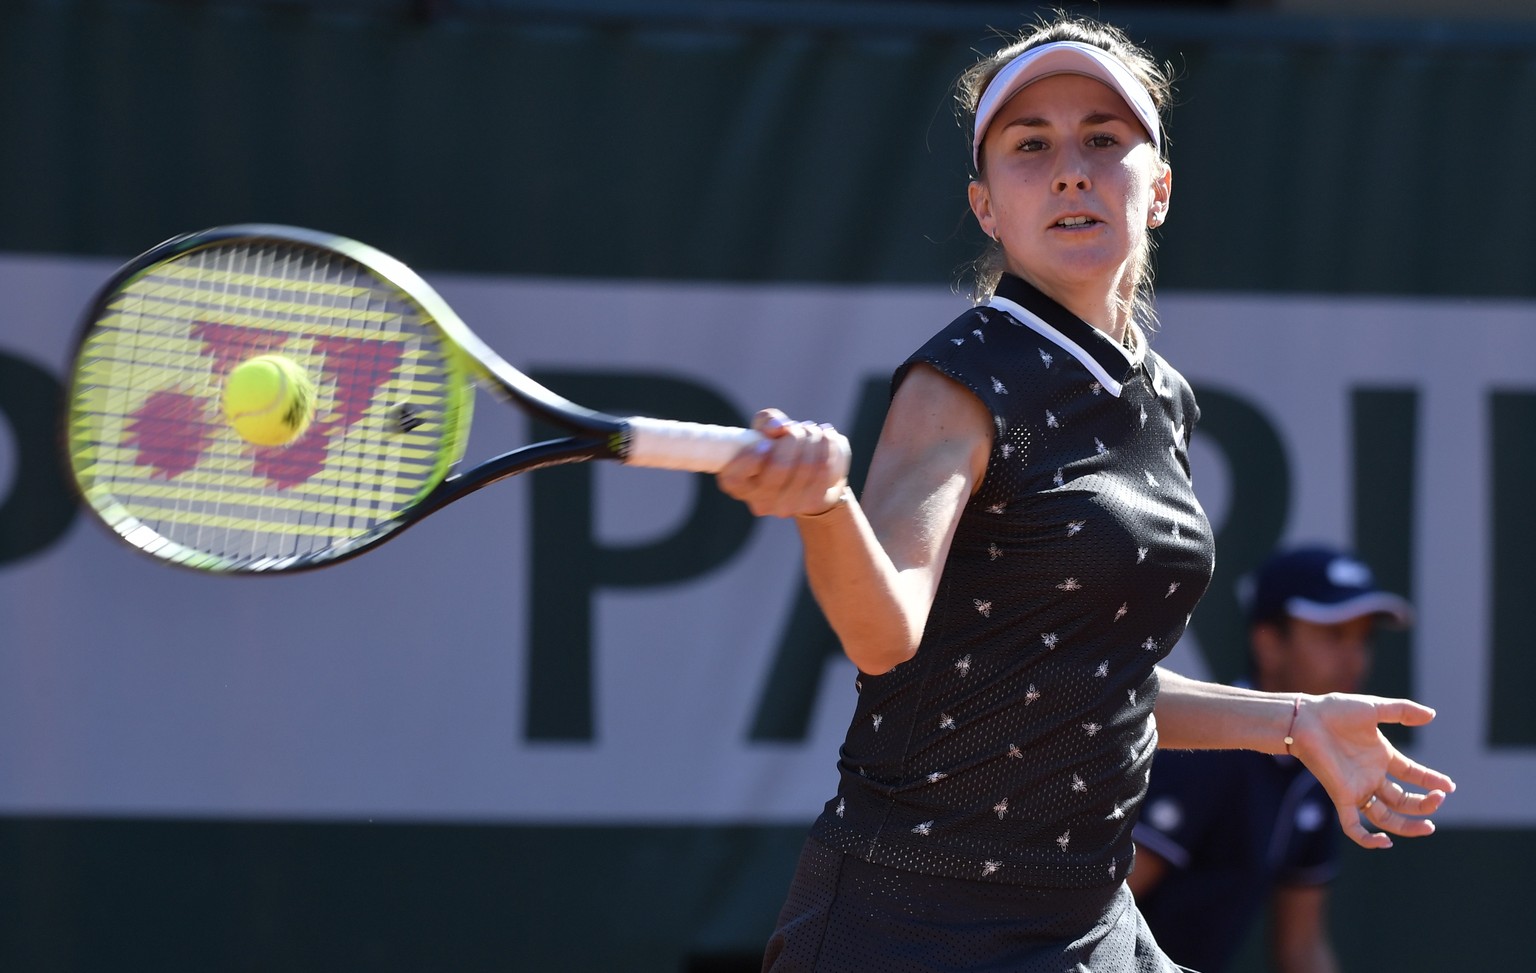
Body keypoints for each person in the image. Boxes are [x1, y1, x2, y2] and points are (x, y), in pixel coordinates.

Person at [715, 12, 1455, 973]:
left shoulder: (1160, 396)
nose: (1071, 168)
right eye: (1031, 146)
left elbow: (1093, 680)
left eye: (1104, 140)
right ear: (986, 206)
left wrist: (1291, 719)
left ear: (1158, 191)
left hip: (1088, 922)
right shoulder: (959, 382)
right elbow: (882, 633)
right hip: (914, 925)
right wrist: (824, 508)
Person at [1130, 546, 1415, 973]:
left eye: (1363, 638)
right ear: (1268, 645)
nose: (1354, 658)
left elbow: (1301, 949)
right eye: (1334, 635)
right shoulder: (1205, 756)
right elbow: (1095, 909)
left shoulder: (1322, 776)